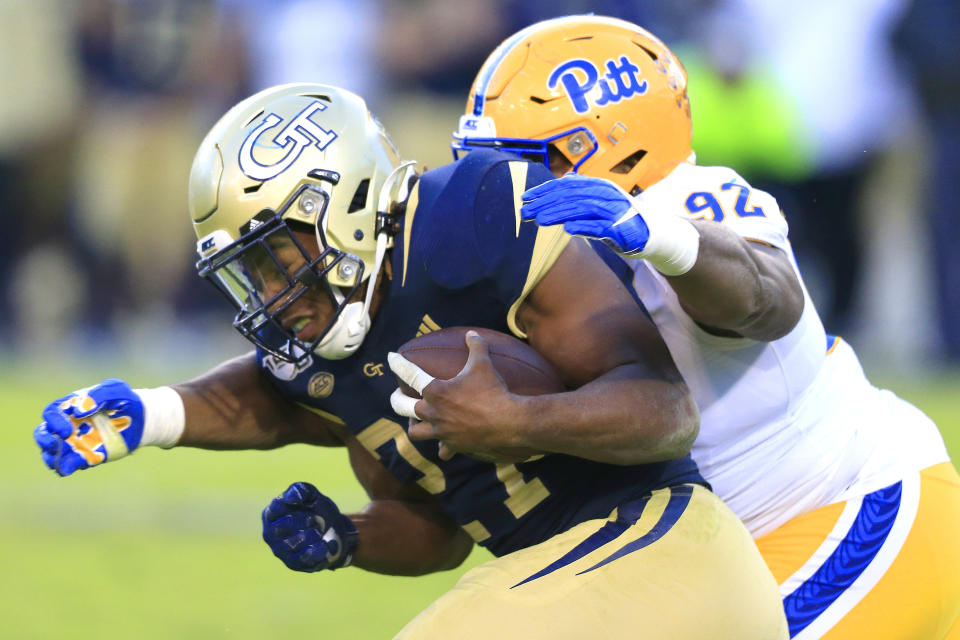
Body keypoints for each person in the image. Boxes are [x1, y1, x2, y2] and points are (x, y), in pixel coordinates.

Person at [33, 83, 788, 638]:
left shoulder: (478, 216)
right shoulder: (325, 351)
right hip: (561, 577)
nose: (269, 293)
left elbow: (667, 411)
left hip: (659, 545)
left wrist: (520, 420)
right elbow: (437, 532)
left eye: (276, 257)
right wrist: (347, 537)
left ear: (348, 205)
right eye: (247, 272)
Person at [451, 14, 960, 639]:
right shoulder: (529, 268)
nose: (487, 188)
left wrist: (655, 237)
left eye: (513, 163)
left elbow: (767, 299)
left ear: (601, 149)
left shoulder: (691, 201)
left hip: (850, 508)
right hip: (718, 561)